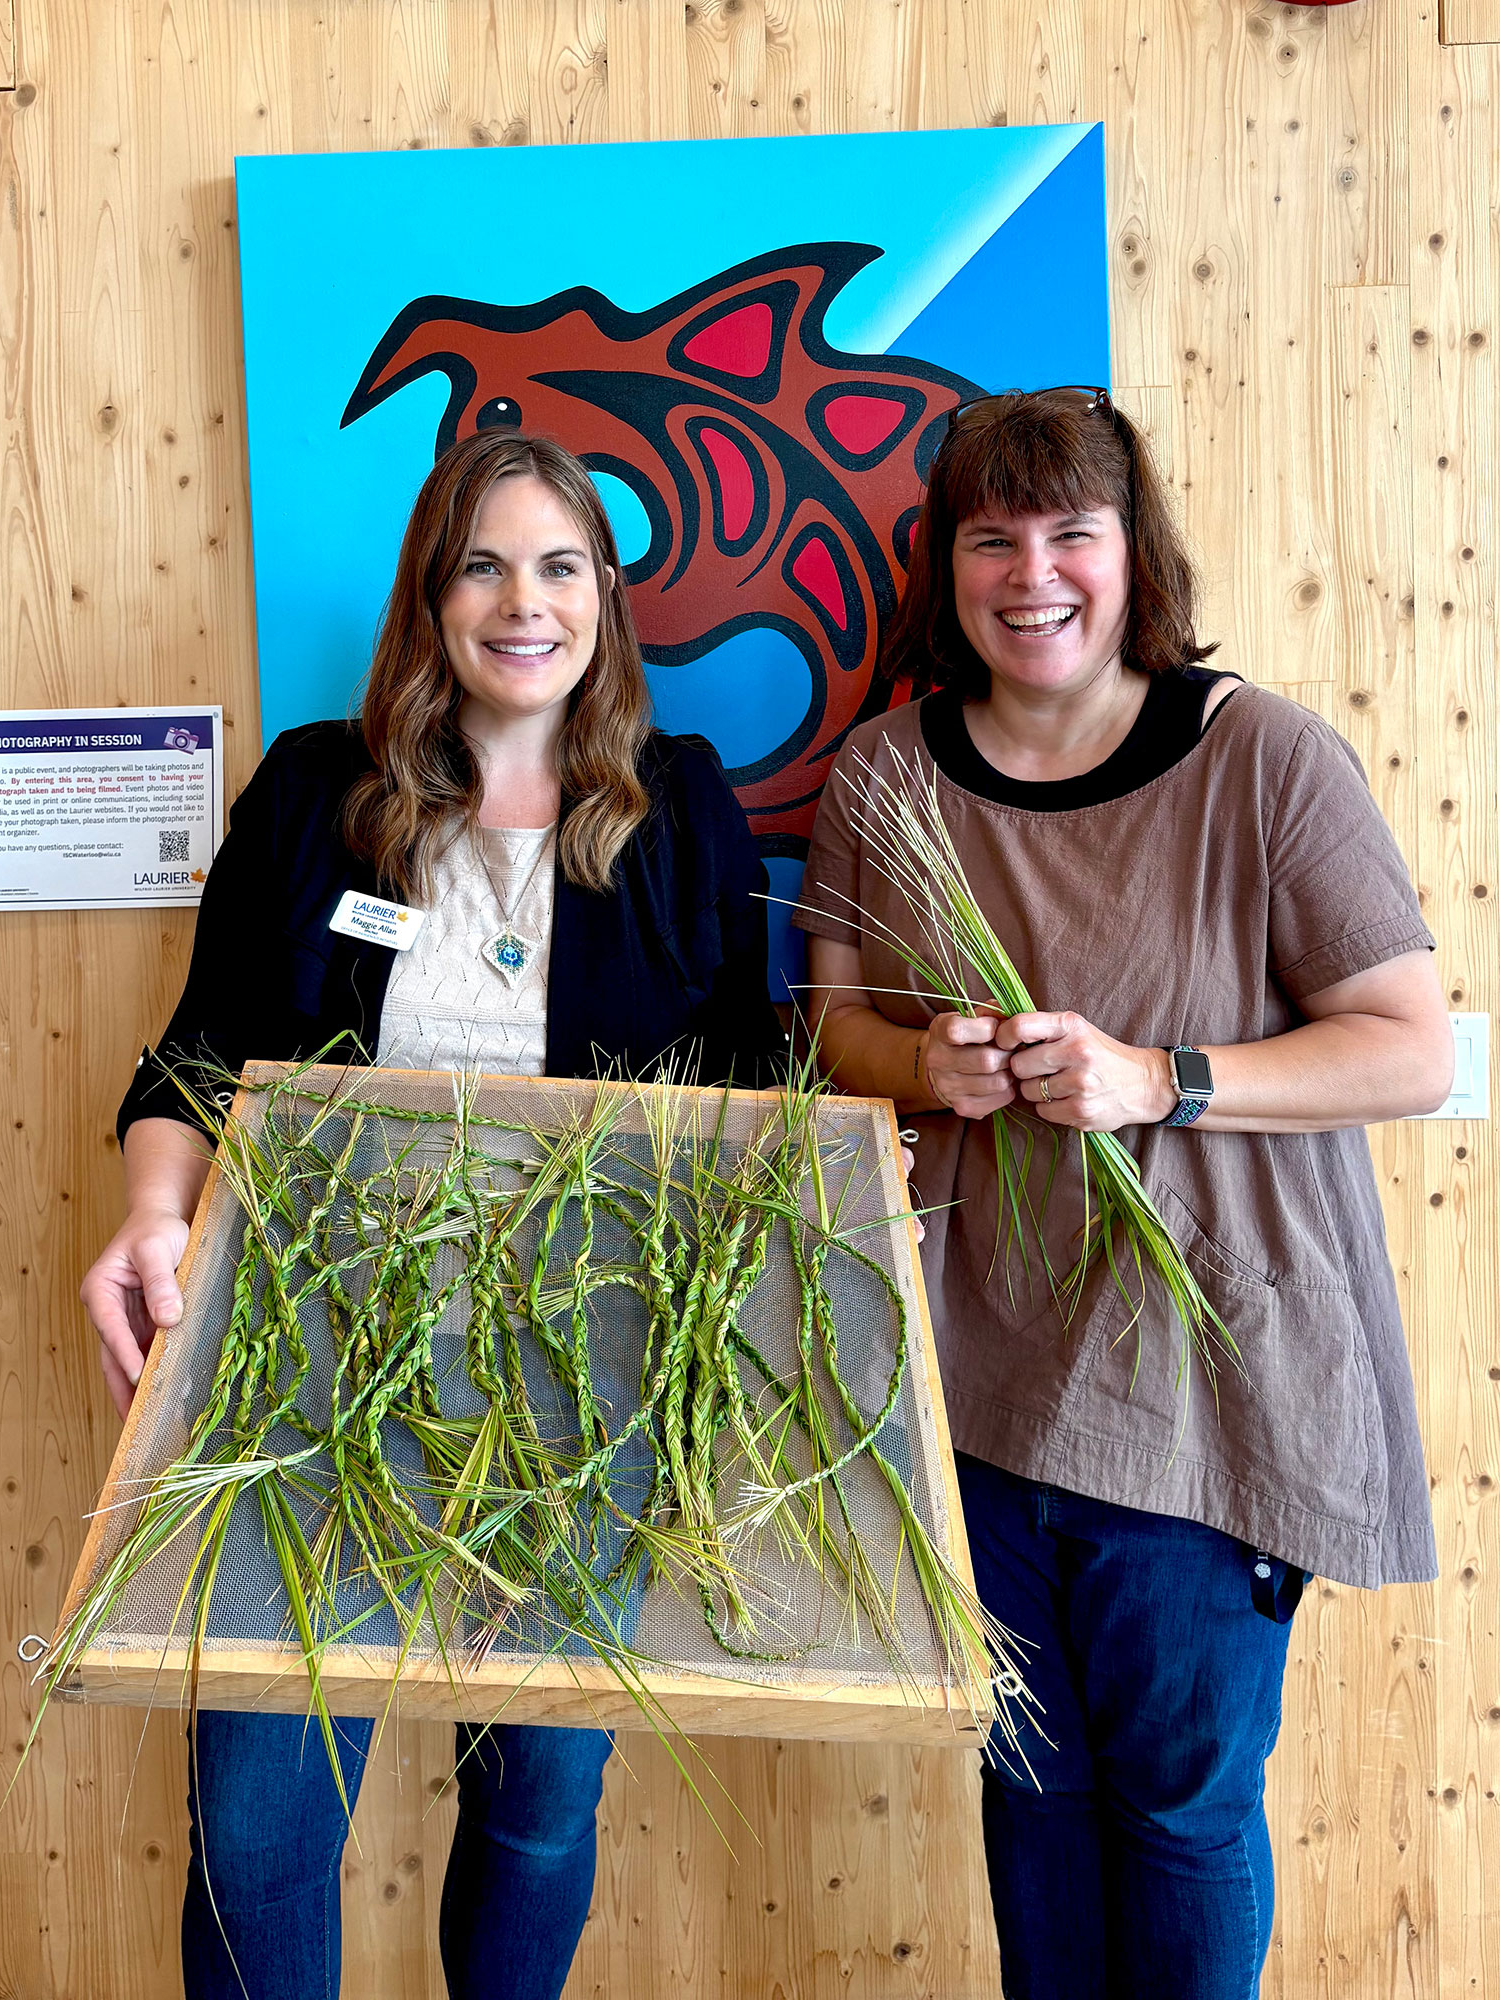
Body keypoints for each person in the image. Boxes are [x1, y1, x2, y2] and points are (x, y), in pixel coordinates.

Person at [80, 429, 784, 2000]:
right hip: (302, 1373)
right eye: (482, 564)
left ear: (603, 594)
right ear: (431, 594)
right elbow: (202, 1054)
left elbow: (756, 1085)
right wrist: (148, 1215)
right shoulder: (318, 794)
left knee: (538, 1800)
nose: (520, 603)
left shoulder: (675, 809)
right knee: (258, 1807)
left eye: (556, 566)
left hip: (578, 1393)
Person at [794, 388, 1453, 2000]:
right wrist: (917, 1068)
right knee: (1031, 1798)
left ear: (1127, 550)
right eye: (991, 537)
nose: (1034, 574)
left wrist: (1160, 1079)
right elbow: (828, 1025)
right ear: (945, 564)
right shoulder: (885, 770)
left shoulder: (1263, 761)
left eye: (1069, 532)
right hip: (973, 1389)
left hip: (1206, 1392)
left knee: (1175, 1806)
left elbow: (1409, 1048)